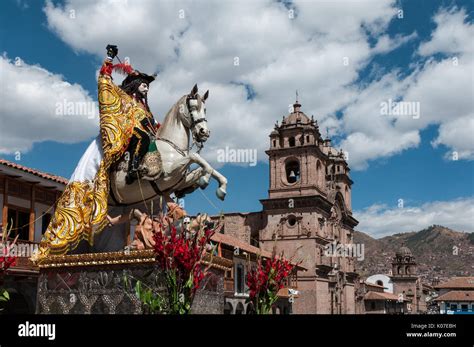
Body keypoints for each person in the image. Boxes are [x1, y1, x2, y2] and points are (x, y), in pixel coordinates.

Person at [31, 44, 159, 262]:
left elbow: (154, 127)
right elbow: (104, 82)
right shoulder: (122, 99)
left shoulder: (144, 110)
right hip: (117, 141)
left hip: (137, 141)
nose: (146, 88)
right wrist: (109, 60)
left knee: (149, 139)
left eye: (148, 85)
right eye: (144, 84)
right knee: (142, 136)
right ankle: (131, 168)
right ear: (135, 85)